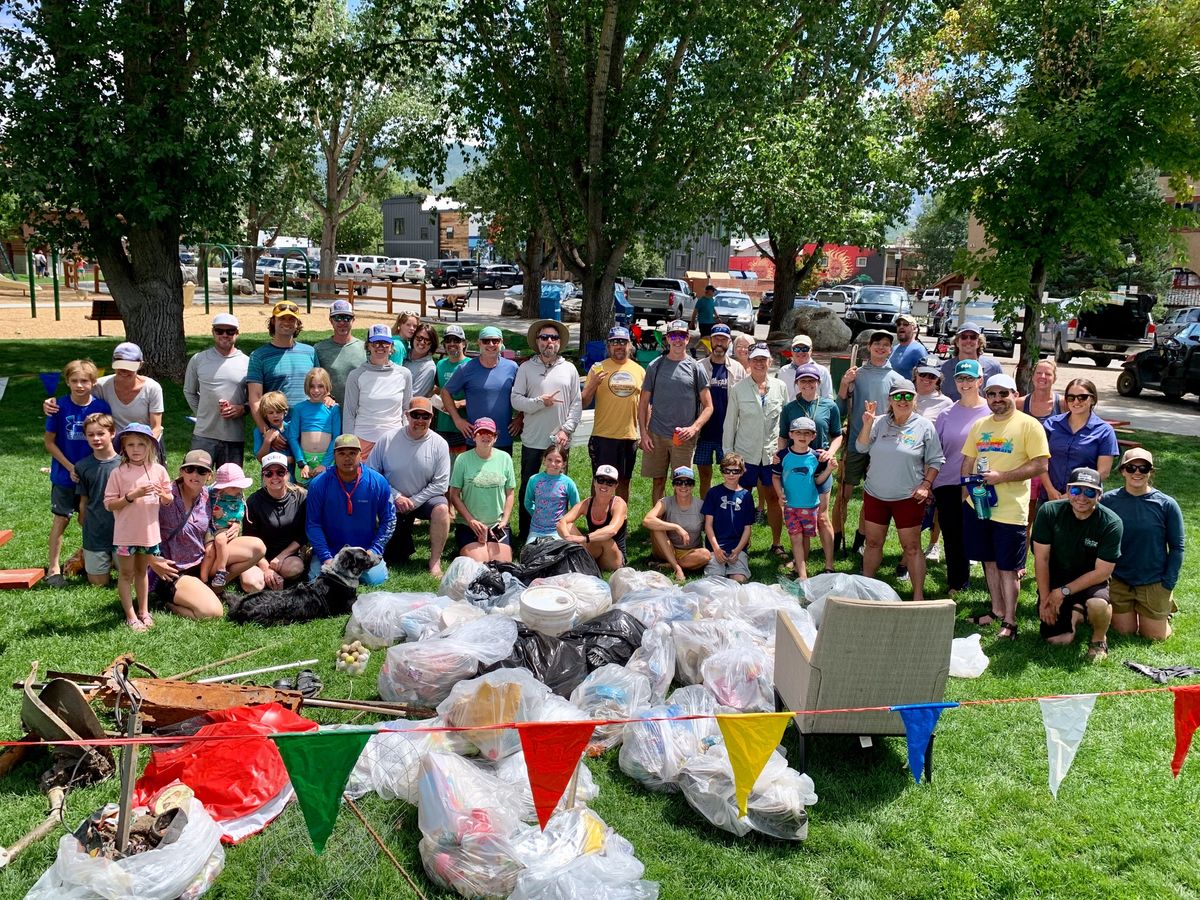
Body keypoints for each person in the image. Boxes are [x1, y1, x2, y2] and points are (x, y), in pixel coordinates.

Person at [961, 373, 1050, 640]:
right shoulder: (980, 425)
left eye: (1003, 393)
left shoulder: (1029, 425)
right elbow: (968, 460)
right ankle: (996, 610)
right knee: (988, 560)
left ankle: (1011, 621)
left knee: (1007, 566)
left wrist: (1002, 477)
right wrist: (966, 492)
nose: (997, 399)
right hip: (979, 505)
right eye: (992, 394)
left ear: (1014, 394)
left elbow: (1040, 464)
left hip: (1011, 510)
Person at [148, 450, 267, 619]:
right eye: (190, 469)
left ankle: (215, 586)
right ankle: (165, 602)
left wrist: (236, 523)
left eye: (202, 471)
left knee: (258, 547)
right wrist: (151, 559)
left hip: (203, 559)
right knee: (212, 612)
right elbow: (139, 527)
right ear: (181, 471)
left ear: (209, 476)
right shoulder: (166, 495)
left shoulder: (210, 494)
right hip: (173, 570)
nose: (195, 474)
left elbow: (228, 506)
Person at [856, 380, 944, 601]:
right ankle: (868, 589)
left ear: (915, 400)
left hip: (908, 497)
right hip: (875, 494)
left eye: (907, 397)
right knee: (873, 543)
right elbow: (861, 447)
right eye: (897, 396)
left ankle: (917, 595)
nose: (902, 401)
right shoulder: (877, 422)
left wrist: (926, 485)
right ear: (890, 400)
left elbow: (935, 460)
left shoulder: (924, 426)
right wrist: (867, 424)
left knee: (912, 547)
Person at [1032, 467, 1123, 661]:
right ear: (1068, 490)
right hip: (1057, 577)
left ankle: (1099, 639)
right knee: (1058, 640)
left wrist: (1062, 592)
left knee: (1097, 605)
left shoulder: (1111, 522)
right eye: (1075, 490)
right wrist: (1046, 597)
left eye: (1090, 491)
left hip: (1091, 581)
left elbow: (1102, 573)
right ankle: (1076, 614)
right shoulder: (1049, 511)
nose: (1081, 497)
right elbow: (1041, 559)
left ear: (1100, 494)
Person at [833, 330, 905, 556]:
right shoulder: (856, 374)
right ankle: (836, 537)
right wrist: (845, 384)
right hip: (855, 443)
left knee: (871, 495)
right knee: (843, 493)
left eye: (886, 345)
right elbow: (841, 409)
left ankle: (860, 539)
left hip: (881, 447)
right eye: (877, 344)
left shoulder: (897, 380)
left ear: (890, 349)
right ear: (869, 347)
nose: (881, 348)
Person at [1101, 448, 1185, 641]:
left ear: (1150, 472)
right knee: (1124, 632)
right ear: (1122, 471)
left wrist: (1168, 583)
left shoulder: (1167, 504)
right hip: (1119, 579)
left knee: (1154, 636)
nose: (1137, 472)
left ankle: (1165, 610)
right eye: (1131, 468)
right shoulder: (1108, 501)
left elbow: (1177, 547)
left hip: (1153, 579)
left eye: (1143, 468)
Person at [511, 318, 582, 541]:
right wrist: (540, 401)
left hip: (559, 444)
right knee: (529, 490)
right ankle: (527, 533)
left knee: (558, 492)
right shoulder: (526, 368)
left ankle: (557, 533)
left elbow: (576, 404)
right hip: (533, 440)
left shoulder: (569, 369)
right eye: (544, 337)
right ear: (537, 342)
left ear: (559, 342)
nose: (548, 341)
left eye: (553, 337)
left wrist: (566, 430)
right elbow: (516, 400)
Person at [43, 358, 111, 586]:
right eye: (75, 381)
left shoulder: (102, 407)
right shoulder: (58, 407)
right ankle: (53, 568)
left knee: (89, 519)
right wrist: (71, 467)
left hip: (93, 477)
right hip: (64, 475)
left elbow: (110, 436)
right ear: (67, 382)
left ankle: (89, 559)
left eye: (85, 381)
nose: (80, 385)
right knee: (61, 519)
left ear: (93, 382)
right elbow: (49, 442)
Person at [367, 396, 452, 578]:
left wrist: (413, 501)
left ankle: (435, 561)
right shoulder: (388, 439)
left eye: (425, 416)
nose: (420, 421)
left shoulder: (440, 444)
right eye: (416, 415)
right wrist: (396, 496)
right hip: (391, 499)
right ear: (407, 416)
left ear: (432, 418)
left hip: (424, 499)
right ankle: (371, 551)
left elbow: (441, 484)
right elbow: (372, 473)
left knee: (442, 509)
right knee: (395, 556)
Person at [103, 423, 173, 630]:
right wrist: (132, 496)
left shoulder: (159, 470)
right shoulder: (119, 472)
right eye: (130, 444)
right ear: (123, 447)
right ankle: (130, 615)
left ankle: (144, 610)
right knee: (126, 574)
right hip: (125, 534)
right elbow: (109, 504)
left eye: (141, 444)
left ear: (151, 446)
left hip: (149, 534)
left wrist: (162, 494)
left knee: (142, 572)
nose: (136, 449)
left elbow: (168, 499)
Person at [723, 342, 789, 559]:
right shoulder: (737, 389)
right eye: (755, 359)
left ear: (770, 362)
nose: (760, 363)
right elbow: (730, 423)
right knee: (742, 499)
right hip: (745, 454)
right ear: (749, 362)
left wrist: (786, 452)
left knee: (773, 498)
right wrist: (728, 455)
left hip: (772, 455)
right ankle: (741, 543)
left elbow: (785, 422)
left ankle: (777, 543)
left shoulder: (780, 387)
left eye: (764, 359)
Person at [638, 319, 713, 504]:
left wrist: (694, 428)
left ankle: (679, 525)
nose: (677, 340)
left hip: (683, 437)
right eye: (673, 335)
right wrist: (644, 434)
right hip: (656, 435)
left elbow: (709, 406)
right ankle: (657, 526)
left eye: (682, 335)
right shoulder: (655, 366)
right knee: (658, 482)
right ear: (667, 339)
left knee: (682, 483)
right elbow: (643, 402)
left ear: (688, 339)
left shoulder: (696, 368)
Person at [930, 360, 990, 593]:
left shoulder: (991, 412)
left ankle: (993, 583)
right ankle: (957, 582)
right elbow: (936, 451)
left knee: (983, 532)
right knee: (953, 535)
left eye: (970, 379)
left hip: (982, 484)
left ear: (980, 381)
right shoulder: (946, 414)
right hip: (948, 483)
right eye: (960, 379)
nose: (965, 383)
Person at [778, 364, 843, 573]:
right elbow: (782, 437)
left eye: (811, 381)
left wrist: (831, 453)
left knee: (822, 516)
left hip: (820, 466)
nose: (808, 384)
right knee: (797, 512)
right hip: (796, 467)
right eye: (803, 380)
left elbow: (838, 434)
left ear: (819, 382)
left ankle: (829, 564)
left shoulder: (829, 405)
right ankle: (801, 563)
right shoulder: (789, 408)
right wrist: (781, 461)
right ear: (797, 383)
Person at [305, 434, 394, 585]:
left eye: (352, 453)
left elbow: (389, 520)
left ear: (361, 454)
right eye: (342, 453)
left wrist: (375, 550)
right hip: (331, 550)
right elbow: (313, 524)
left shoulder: (378, 482)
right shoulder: (318, 484)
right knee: (318, 581)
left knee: (375, 580)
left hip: (364, 552)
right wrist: (326, 557)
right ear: (334, 456)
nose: (347, 458)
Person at [583, 326, 644, 501]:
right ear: (608, 346)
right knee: (600, 480)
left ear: (630, 345)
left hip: (629, 436)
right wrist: (593, 383)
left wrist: (644, 432)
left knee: (624, 481)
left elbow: (644, 405)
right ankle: (595, 521)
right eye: (614, 342)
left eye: (623, 342)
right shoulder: (598, 368)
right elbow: (584, 401)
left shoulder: (639, 371)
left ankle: (620, 522)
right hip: (603, 435)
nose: (619, 346)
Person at [184, 313, 249, 469]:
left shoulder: (248, 362)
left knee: (230, 487)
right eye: (219, 331)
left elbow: (256, 397)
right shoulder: (198, 359)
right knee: (194, 481)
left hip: (233, 436)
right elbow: (189, 391)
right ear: (213, 332)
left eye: (230, 331)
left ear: (237, 333)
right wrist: (202, 413)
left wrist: (243, 409)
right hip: (203, 434)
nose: (225, 335)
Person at [448, 417, 517, 563]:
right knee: (479, 565)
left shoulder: (505, 458)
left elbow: (510, 493)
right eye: (481, 432)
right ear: (474, 436)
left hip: (497, 524)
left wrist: (504, 521)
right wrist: (471, 521)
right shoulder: (463, 459)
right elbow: (454, 495)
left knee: (502, 566)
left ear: (495, 437)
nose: (485, 436)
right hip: (470, 525)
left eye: (490, 433)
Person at [442, 325, 521, 452]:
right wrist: (457, 420)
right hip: (475, 437)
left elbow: (526, 394)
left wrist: (520, 418)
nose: (491, 344)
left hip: (503, 437)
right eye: (486, 341)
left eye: (495, 341)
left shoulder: (512, 368)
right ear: (479, 343)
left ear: (501, 343)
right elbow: (445, 392)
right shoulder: (466, 369)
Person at [247, 301, 319, 439]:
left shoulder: (310, 352)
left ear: (297, 323)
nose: (287, 322)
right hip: (276, 430)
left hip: (307, 427)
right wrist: (266, 432)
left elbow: (319, 387)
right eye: (282, 318)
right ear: (273, 321)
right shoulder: (258, 356)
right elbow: (255, 398)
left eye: (292, 319)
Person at [774, 417, 834, 579]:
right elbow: (776, 477)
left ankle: (800, 567)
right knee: (795, 537)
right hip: (790, 506)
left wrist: (829, 469)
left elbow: (818, 481)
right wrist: (780, 494)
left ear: (813, 436)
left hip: (810, 506)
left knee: (805, 538)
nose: (802, 436)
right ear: (790, 434)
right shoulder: (782, 455)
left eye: (807, 433)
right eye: (798, 432)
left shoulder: (816, 457)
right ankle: (802, 575)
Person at [1040, 377, 1119, 498]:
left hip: (1084, 498)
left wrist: (1071, 494)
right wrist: (1049, 489)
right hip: (1049, 496)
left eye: (1082, 397)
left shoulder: (1105, 431)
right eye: (1071, 398)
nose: (1076, 401)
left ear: (1092, 399)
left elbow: (1103, 472)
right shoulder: (1051, 425)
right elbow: (1040, 461)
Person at [344, 323, 413, 459]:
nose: (380, 347)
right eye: (375, 343)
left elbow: (406, 410)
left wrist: (407, 439)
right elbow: (349, 413)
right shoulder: (356, 375)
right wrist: (350, 445)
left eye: (385, 343)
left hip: (394, 440)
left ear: (391, 347)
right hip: (363, 440)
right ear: (368, 346)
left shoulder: (404, 374)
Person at [243, 452, 308, 589]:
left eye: (280, 472)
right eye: (269, 473)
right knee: (251, 584)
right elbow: (249, 539)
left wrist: (282, 556)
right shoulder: (254, 501)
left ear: (287, 474)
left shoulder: (301, 497)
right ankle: (268, 576)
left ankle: (275, 578)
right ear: (263, 476)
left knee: (295, 568)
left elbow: (304, 533)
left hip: (288, 555)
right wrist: (267, 568)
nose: (275, 477)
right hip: (258, 556)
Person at [695, 323, 745, 494]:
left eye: (723, 339)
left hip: (728, 433)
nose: (719, 343)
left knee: (732, 474)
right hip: (705, 433)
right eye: (716, 338)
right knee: (704, 475)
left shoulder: (737, 368)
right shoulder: (699, 366)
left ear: (729, 342)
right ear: (710, 340)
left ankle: (730, 507)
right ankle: (705, 509)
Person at [73, 413, 121, 586]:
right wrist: (85, 522)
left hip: (122, 532)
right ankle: (85, 557)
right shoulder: (82, 466)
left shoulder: (125, 464)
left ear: (112, 433)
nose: (96, 438)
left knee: (128, 578)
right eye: (91, 434)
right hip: (95, 532)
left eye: (101, 433)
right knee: (99, 584)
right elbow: (83, 501)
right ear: (85, 436)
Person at [643, 465, 711, 581]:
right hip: (666, 550)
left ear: (693, 485)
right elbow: (647, 520)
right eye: (679, 482)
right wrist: (675, 527)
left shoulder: (700, 505)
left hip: (690, 552)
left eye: (688, 482)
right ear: (674, 485)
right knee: (656, 527)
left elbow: (711, 528)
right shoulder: (666, 502)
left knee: (705, 555)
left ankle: (671, 564)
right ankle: (677, 567)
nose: (683, 486)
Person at [558, 464, 629, 572]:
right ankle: (581, 560)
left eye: (609, 482)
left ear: (615, 486)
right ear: (594, 482)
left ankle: (577, 559)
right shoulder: (587, 503)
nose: (604, 485)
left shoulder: (619, 504)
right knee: (567, 526)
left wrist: (583, 539)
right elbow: (562, 522)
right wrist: (568, 537)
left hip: (614, 557)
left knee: (603, 538)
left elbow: (612, 530)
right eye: (600, 480)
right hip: (593, 550)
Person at [701, 453, 756, 583]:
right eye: (727, 471)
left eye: (735, 471)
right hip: (716, 546)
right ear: (722, 472)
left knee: (738, 580)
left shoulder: (746, 496)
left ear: (742, 472)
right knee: (715, 581)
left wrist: (737, 551)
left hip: (737, 547)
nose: (731, 474)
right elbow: (708, 525)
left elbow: (747, 528)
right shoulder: (713, 493)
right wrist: (716, 549)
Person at [200, 462, 252, 588]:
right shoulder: (212, 492)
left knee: (220, 540)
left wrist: (223, 515)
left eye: (239, 486)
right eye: (233, 487)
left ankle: (221, 571)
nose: (238, 490)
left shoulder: (239, 497)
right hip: (209, 527)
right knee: (209, 552)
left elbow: (239, 514)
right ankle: (203, 580)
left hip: (223, 527)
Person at [286, 367, 340, 486]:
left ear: (327, 386)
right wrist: (302, 463)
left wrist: (324, 464)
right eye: (312, 386)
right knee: (303, 495)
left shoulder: (333, 409)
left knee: (326, 494)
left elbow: (336, 438)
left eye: (320, 386)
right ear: (307, 387)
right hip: (305, 460)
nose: (316, 390)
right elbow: (292, 437)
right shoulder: (299, 408)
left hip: (327, 459)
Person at [314, 299, 367, 404]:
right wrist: (326, 395)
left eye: (347, 318)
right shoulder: (319, 349)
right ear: (331, 320)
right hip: (330, 412)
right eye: (337, 318)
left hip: (359, 411)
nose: (342, 322)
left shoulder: (365, 348)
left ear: (353, 320)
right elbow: (314, 381)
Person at [524, 445, 580, 543]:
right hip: (536, 530)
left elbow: (577, 507)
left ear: (564, 464)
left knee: (558, 555)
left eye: (558, 461)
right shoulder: (534, 480)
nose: (553, 463)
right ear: (544, 460)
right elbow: (528, 502)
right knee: (532, 555)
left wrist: (565, 521)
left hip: (559, 530)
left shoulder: (568, 482)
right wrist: (536, 514)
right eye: (549, 459)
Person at [938, 322, 1003, 401]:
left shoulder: (993, 367)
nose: (968, 340)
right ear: (957, 342)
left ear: (979, 343)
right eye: (964, 337)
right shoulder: (944, 368)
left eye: (973, 337)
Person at [434, 324, 471, 455]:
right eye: (448, 340)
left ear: (464, 343)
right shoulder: (440, 364)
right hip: (442, 425)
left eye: (456, 340)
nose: (452, 343)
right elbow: (438, 388)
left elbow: (480, 395)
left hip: (464, 425)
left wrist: (460, 403)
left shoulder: (471, 365)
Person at [779, 335, 834, 402]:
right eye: (796, 349)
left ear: (811, 350)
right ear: (791, 350)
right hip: (790, 411)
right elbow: (779, 397)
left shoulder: (822, 371)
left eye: (805, 349)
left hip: (815, 411)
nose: (800, 352)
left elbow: (828, 398)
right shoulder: (783, 371)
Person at [253, 391, 291, 465]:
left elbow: (296, 458)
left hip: (290, 475)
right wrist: (267, 441)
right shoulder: (258, 431)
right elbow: (260, 458)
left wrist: (276, 460)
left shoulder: (291, 429)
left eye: (278, 412)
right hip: (269, 475)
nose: (275, 415)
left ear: (285, 411)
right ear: (265, 414)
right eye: (271, 413)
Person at [1020, 358, 1062, 423]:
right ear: (1032, 377)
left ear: (1054, 379)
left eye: (1048, 374)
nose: (1042, 376)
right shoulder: (1020, 404)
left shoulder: (1063, 404)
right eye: (1039, 373)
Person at [404, 323, 439, 397]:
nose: (422, 342)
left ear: (432, 344)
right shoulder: (403, 352)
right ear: (413, 338)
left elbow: (415, 395)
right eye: (419, 338)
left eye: (427, 340)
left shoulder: (429, 367)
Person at [889, 314, 927, 380]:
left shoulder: (918, 350)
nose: (901, 327)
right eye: (898, 324)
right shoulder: (894, 348)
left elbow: (925, 377)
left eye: (905, 324)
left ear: (914, 328)